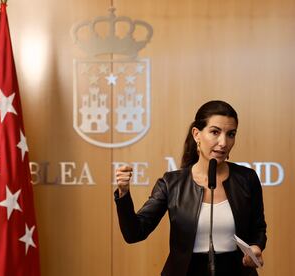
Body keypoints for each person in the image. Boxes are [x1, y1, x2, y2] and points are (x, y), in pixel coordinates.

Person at [114, 100, 267, 276]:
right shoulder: (172, 183)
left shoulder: (247, 178)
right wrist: (123, 194)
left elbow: (258, 228)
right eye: (215, 132)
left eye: (231, 134)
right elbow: (134, 233)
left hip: (236, 270)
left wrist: (256, 247)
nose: (223, 142)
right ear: (196, 134)